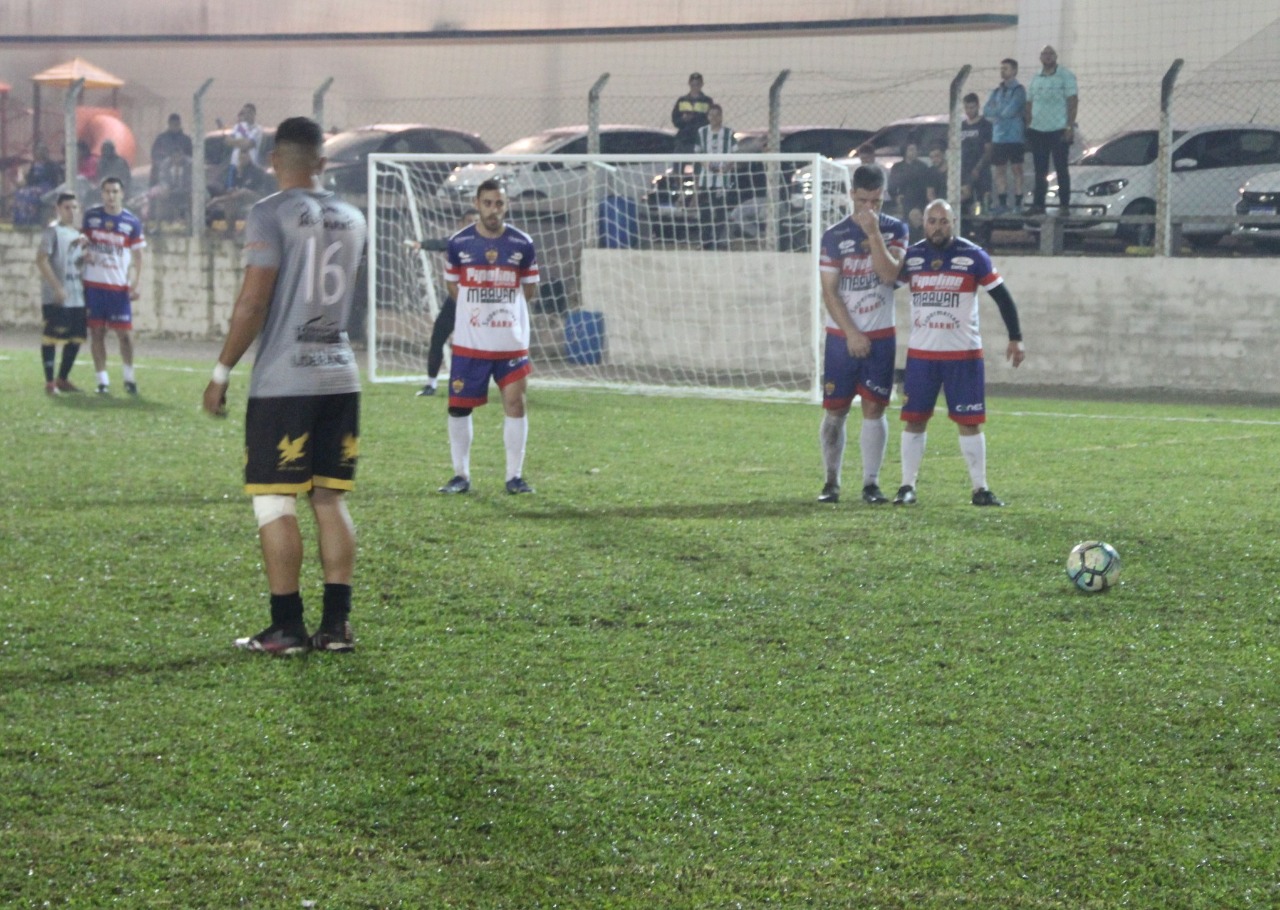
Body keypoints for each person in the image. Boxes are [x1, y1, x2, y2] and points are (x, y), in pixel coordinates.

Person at [201, 115, 367, 655]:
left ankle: (287, 628)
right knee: (329, 498)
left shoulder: (269, 213)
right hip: (340, 372)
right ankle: (337, 626)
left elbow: (254, 302)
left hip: (286, 380)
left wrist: (222, 370)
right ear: (322, 161)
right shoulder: (353, 216)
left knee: (274, 501)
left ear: (274, 160)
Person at [893, 199, 1026, 507]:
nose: (937, 227)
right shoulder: (912, 258)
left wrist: (1015, 337)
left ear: (953, 222)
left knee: (970, 422)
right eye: (932, 221)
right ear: (923, 224)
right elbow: (887, 282)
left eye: (943, 221)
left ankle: (980, 489)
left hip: (963, 355)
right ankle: (906, 486)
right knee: (914, 420)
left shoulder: (973, 256)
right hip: (922, 356)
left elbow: (1003, 297)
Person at [437, 178, 540, 496]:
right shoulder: (459, 243)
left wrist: (504, 312)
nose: (493, 210)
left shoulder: (522, 244)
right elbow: (452, 285)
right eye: (487, 203)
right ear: (477, 204)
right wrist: (475, 310)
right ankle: (460, 475)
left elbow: (530, 288)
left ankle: (514, 476)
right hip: (471, 342)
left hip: (510, 341)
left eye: (499, 203)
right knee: (459, 407)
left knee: (515, 402)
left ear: (506, 205)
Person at [816, 164, 909, 505]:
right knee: (835, 409)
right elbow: (830, 292)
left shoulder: (895, 230)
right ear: (852, 195)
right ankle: (830, 482)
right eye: (863, 200)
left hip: (881, 335)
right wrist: (852, 333)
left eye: (877, 202)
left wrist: (873, 235)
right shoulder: (834, 235)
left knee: (875, 408)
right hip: (842, 337)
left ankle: (871, 483)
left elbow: (888, 276)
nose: (870, 209)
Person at [81, 175, 145, 395]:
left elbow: (138, 256)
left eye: (115, 191)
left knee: (125, 335)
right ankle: (102, 381)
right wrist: (84, 252)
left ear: (122, 194)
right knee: (97, 333)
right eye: (107, 192)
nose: (111, 196)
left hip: (118, 288)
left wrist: (136, 283)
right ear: (102, 194)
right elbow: (81, 243)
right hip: (94, 287)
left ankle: (129, 378)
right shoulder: (91, 217)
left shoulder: (131, 222)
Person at [36, 193, 86, 394]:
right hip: (56, 297)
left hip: (76, 296)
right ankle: (49, 382)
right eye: (67, 207)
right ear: (58, 209)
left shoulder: (78, 235)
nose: (71, 211)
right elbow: (41, 260)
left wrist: (85, 259)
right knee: (51, 337)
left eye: (75, 207)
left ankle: (62, 379)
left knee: (76, 338)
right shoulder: (52, 231)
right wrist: (57, 287)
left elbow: (74, 264)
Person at [1025, 45, 1078, 216]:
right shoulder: (1035, 78)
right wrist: (1029, 124)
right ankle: (1038, 205)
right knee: (1040, 170)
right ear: (1040, 58)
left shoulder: (1066, 76)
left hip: (1058, 129)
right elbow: (1029, 102)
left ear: (1056, 57)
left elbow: (1072, 100)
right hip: (1038, 130)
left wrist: (1069, 126)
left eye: (1050, 54)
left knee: (1061, 168)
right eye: (1044, 54)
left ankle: (1064, 206)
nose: (1047, 57)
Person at [984, 58, 1026, 213]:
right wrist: (999, 111)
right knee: (999, 171)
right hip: (999, 138)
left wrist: (998, 111)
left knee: (1017, 170)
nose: (1003, 71)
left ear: (1014, 71)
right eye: (1001, 68)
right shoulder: (997, 91)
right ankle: (1002, 203)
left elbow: (1010, 111)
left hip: (1014, 137)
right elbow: (986, 110)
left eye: (1006, 68)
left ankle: (1018, 203)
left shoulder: (1019, 90)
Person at [694, 103, 737, 250]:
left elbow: (735, 153)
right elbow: (698, 153)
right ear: (708, 117)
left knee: (720, 212)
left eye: (717, 114)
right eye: (711, 115)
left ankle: (720, 241)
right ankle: (706, 242)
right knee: (705, 212)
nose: (714, 118)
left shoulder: (728, 133)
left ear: (721, 116)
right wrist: (707, 166)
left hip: (722, 180)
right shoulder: (702, 132)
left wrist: (728, 167)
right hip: (705, 180)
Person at [13, 143, 63, 225]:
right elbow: (30, 180)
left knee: (31, 193)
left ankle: (32, 219)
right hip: (34, 186)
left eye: (42, 151)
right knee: (21, 193)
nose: (40, 153)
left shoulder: (52, 165)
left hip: (47, 187)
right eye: (38, 151)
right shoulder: (33, 165)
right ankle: (23, 220)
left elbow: (55, 179)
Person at [889, 142, 930, 239]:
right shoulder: (897, 167)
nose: (914, 152)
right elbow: (892, 185)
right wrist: (895, 196)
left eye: (915, 150)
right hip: (904, 198)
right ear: (905, 151)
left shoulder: (922, 167)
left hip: (920, 198)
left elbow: (925, 186)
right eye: (911, 150)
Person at [960, 93, 993, 211]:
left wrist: (978, 168)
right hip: (964, 171)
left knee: (982, 204)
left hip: (981, 171)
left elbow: (988, 150)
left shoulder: (985, 125)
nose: (969, 111)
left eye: (972, 107)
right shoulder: (961, 126)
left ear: (978, 106)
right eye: (966, 108)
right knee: (964, 203)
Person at [671, 73, 714, 154]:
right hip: (684, 140)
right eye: (693, 84)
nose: (695, 87)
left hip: (700, 139)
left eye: (697, 84)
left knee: (699, 165)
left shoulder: (707, 101)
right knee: (679, 165)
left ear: (702, 84)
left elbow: (711, 119)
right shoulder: (682, 100)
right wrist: (683, 119)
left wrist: (697, 119)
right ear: (689, 84)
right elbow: (675, 120)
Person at [225, 102, 263, 190]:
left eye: (249, 112)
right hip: (234, 164)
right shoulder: (238, 127)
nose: (246, 114)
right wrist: (242, 142)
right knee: (230, 190)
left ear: (254, 114)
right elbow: (227, 141)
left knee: (243, 190)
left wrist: (235, 142)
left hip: (248, 165)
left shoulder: (257, 129)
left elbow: (248, 144)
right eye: (244, 112)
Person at [149, 113, 193, 188]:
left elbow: (191, 156)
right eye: (173, 124)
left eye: (177, 124)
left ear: (180, 124)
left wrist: (180, 162)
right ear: (169, 124)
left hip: (182, 175)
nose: (175, 126)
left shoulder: (186, 140)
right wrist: (166, 164)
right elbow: (155, 155)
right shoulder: (161, 139)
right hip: (164, 174)